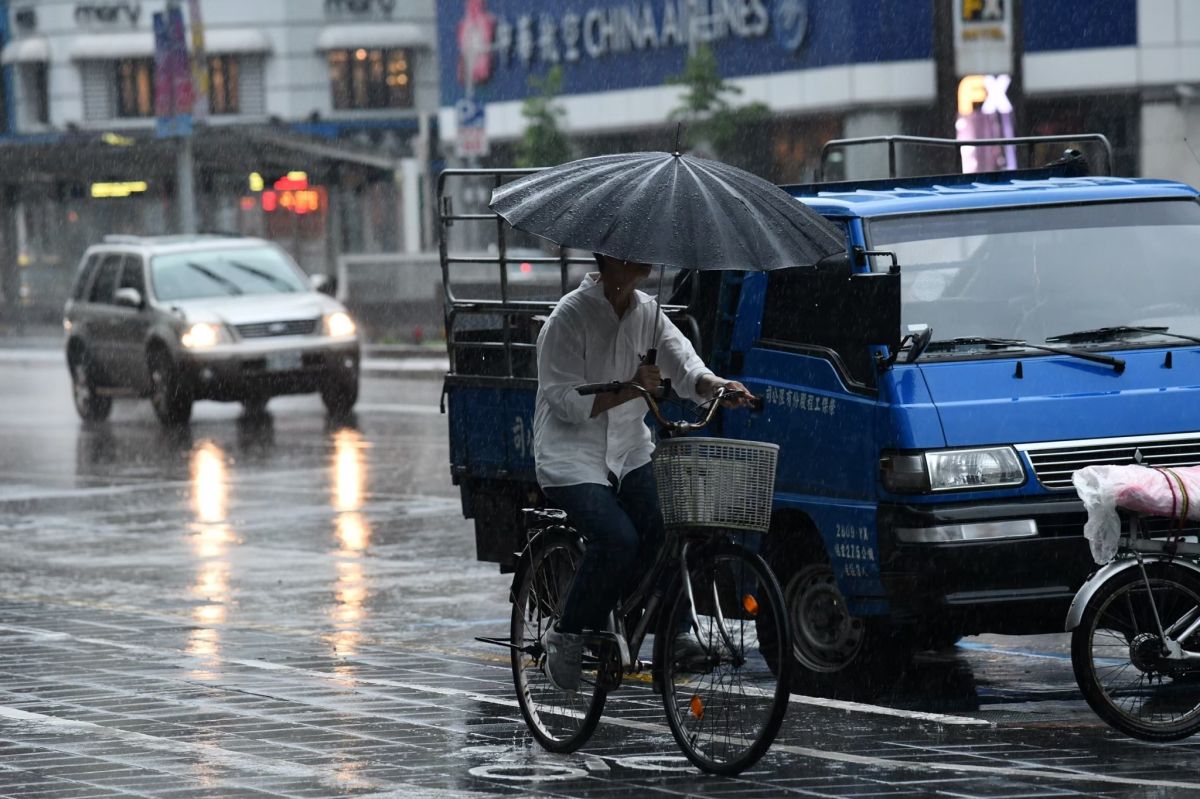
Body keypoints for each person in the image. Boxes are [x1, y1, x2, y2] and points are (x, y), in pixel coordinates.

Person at [534, 253, 752, 691]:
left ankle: (670, 634)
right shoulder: (568, 318)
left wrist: (716, 386)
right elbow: (562, 398)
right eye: (629, 250)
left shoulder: (648, 314)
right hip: (571, 457)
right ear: (606, 256)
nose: (643, 258)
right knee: (617, 539)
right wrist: (630, 386)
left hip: (631, 451)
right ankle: (567, 634)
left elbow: (686, 365)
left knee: (671, 523)